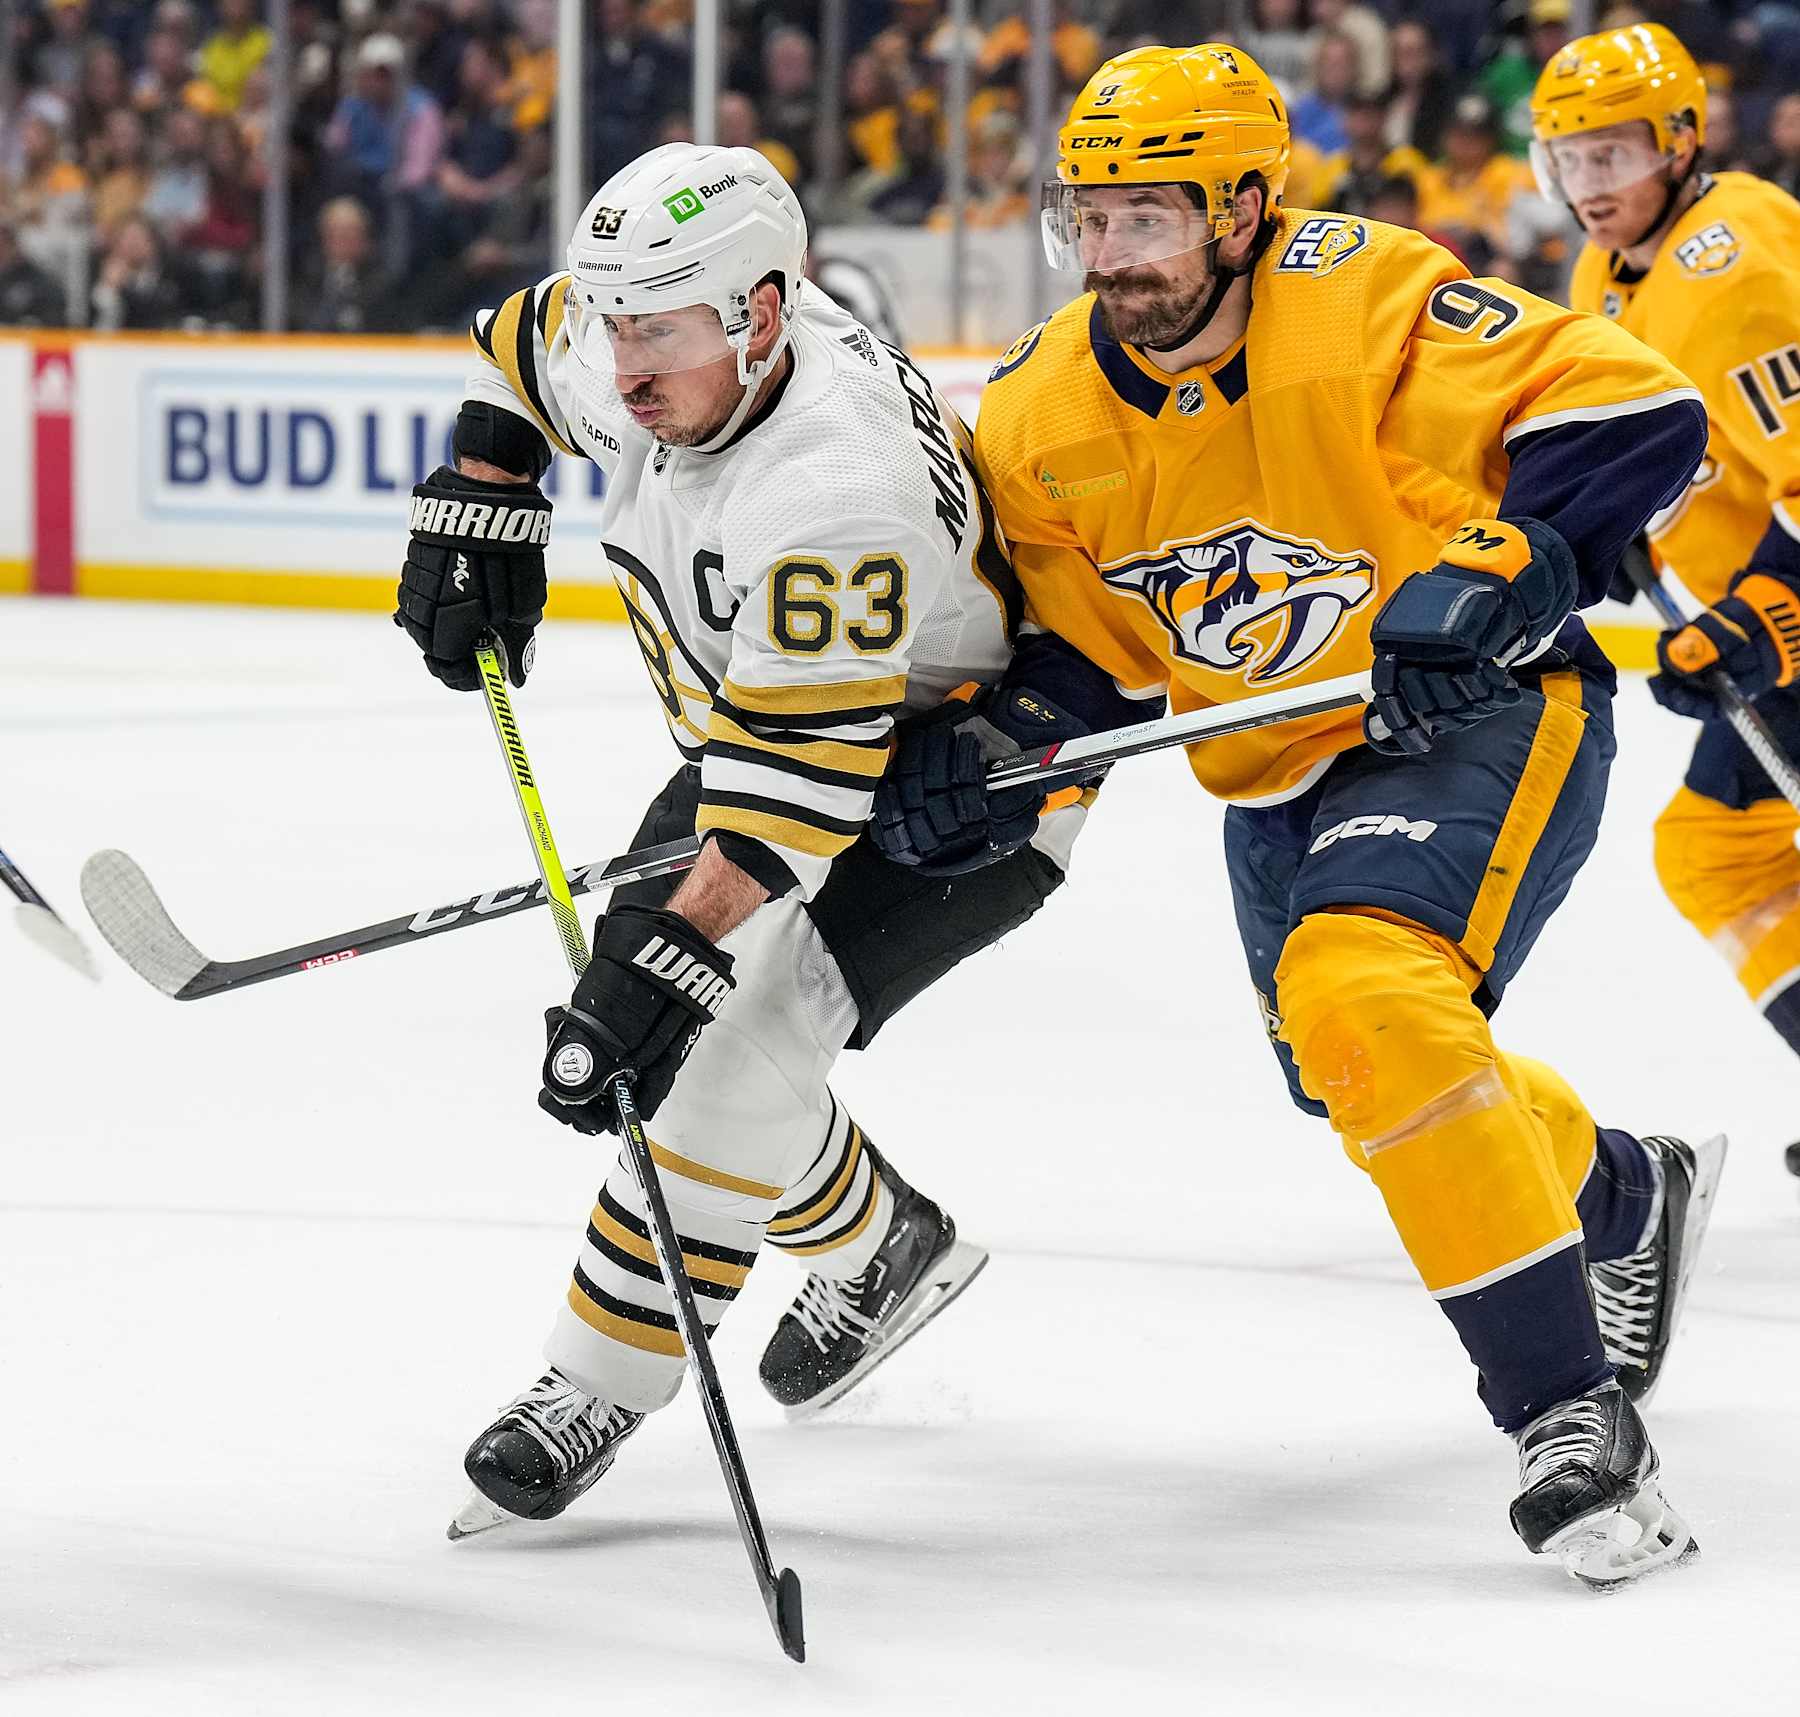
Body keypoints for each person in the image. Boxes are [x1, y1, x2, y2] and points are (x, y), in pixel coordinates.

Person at [877, 42, 1725, 1586]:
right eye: (1089, 218)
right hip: (1271, 771)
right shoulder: (1040, 406)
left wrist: (1507, 564)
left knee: (1364, 992)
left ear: (1243, 206)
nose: (1110, 255)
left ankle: (1570, 1418)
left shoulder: (1361, 296)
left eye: (1147, 217)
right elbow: (1090, 656)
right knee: (1355, 1067)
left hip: (1475, 711)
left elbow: (1640, 414)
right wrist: (998, 748)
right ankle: (1619, 1187)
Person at [395, 142, 1084, 1535]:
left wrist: (674, 958)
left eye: (653, 332)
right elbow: (522, 349)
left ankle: (593, 1382)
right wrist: (487, 491)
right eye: (614, 323)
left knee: (714, 1039)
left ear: (762, 316)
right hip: (778, 731)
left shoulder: (834, 484)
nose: (623, 367)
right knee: (675, 1020)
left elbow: (792, 801)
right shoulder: (674, 327)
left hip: (963, 792)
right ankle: (884, 1244)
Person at [1531, 27, 1800, 1183]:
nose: (1591, 185)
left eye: (1615, 153)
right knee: (1716, 847)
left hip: (1787, 613)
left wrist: (1766, 612)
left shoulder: (1734, 268)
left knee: (1717, 845)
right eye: (1568, 159)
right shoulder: (1611, 270)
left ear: (1682, 141)